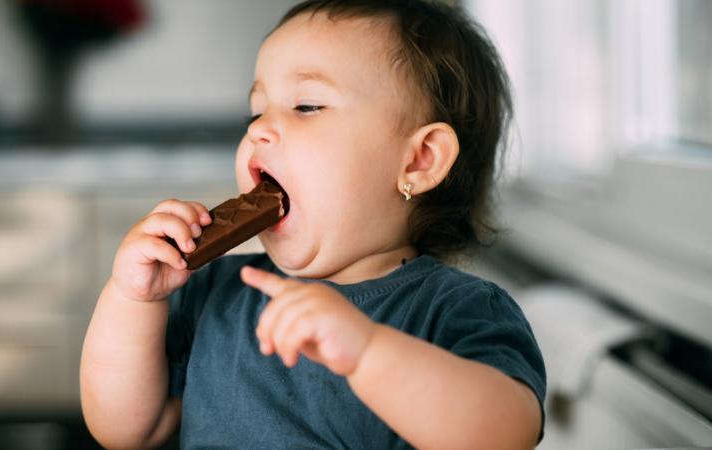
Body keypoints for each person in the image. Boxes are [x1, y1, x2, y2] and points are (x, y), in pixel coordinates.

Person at [80, 0, 546, 448]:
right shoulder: (219, 292)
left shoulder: (455, 310)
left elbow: (506, 435)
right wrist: (132, 299)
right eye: (256, 111)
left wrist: (367, 353)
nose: (258, 129)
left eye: (306, 106)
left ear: (419, 160)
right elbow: (126, 431)